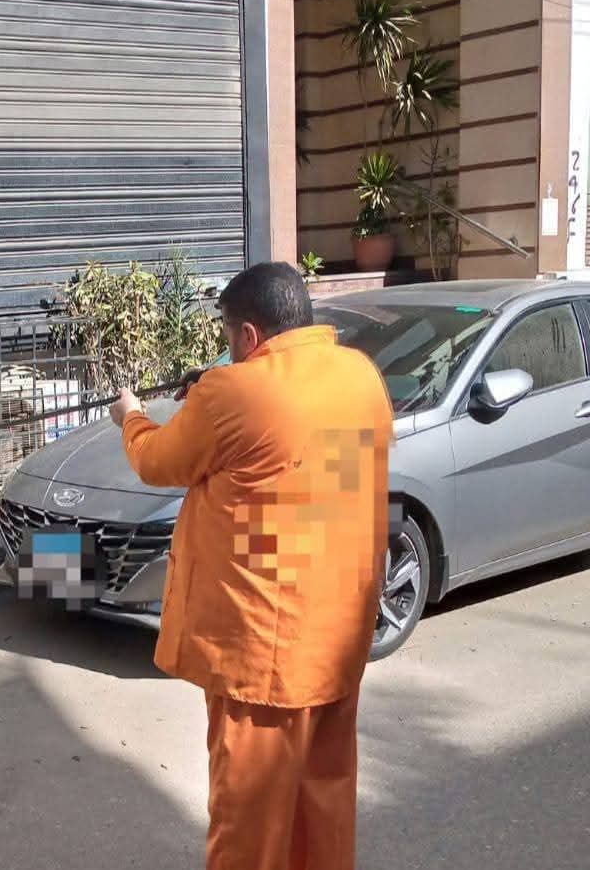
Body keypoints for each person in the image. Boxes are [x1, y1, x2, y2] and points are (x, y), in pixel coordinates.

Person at [109, 261, 392, 870]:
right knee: (323, 806)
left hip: (265, 650)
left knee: (248, 827)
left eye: (228, 335)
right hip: (338, 637)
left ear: (248, 335)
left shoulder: (232, 391)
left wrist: (131, 415)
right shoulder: (360, 376)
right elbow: (312, 470)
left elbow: (158, 461)